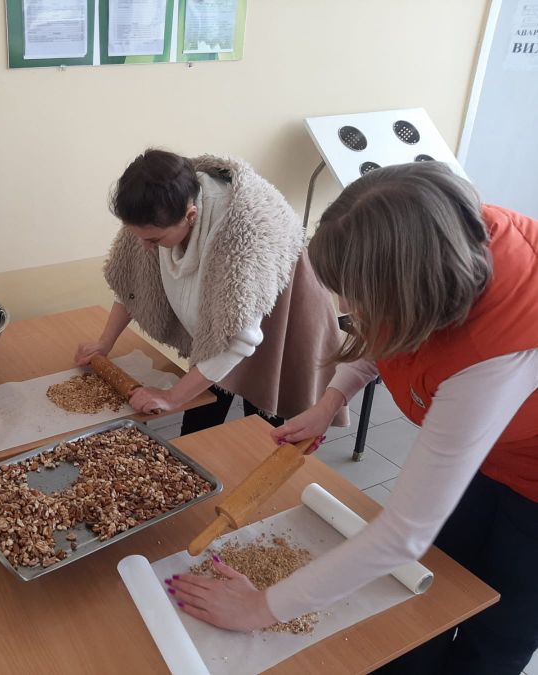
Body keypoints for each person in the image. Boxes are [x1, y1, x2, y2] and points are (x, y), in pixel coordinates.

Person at [164, 162, 538, 674]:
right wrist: (329, 401)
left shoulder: (493, 351)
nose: (346, 308)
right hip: (492, 448)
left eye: (357, 297)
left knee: (502, 620)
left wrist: (260, 608)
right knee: (440, 582)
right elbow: (388, 332)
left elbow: (402, 536)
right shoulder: (439, 240)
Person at [75, 149, 345, 434]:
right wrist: (104, 343)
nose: (145, 247)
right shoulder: (152, 212)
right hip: (228, 316)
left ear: (190, 215)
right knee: (202, 409)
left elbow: (238, 339)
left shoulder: (242, 233)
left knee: (263, 420)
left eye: (154, 240)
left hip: (279, 309)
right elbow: (133, 282)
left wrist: (171, 397)